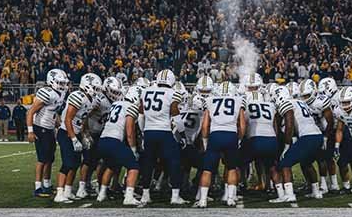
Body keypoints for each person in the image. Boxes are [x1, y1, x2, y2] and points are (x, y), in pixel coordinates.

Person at [140, 69, 189, 206]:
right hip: (164, 132)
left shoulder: (146, 91)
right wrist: (183, 135)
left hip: (149, 131)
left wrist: (143, 132)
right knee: (174, 162)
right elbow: (176, 117)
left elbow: (140, 115)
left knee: (148, 163)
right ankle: (175, 196)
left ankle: (145, 195)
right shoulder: (173, 93)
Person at [196, 81, 246, 208]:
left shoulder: (210, 100)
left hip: (215, 134)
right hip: (231, 134)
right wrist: (239, 139)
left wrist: (205, 141)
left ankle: (202, 200)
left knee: (207, 169)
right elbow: (242, 125)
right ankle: (230, 198)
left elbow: (205, 125)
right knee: (231, 167)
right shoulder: (239, 100)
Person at [271, 84, 324, 202]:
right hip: (317, 135)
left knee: (285, 163)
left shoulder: (286, 103)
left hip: (307, 137)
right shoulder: (300, 102)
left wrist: (287, 145)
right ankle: (316, 192)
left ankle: (289, 194)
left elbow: (289, 123)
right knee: (307, 162)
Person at [55, 73, 102, 203]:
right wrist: (73, 139)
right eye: (95, 88)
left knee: (75, 164)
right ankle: (59, 193)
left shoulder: (92, 100)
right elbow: (68, 119)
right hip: (66, 132)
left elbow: (83, 118)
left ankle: (68, 191)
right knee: (67, 163)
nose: (97, 91)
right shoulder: (77, 96)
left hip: (76, 132)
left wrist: (84, 134)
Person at [96, 86, 143, 206]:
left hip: (103, 140)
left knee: (111, 166)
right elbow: (129, 130)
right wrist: (133, 148)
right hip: (114, 140)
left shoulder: (116, 103)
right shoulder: (131, 107)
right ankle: (128, 197)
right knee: (134, 167)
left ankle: (101, 194)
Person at [26, 69, 69, 197]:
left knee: (50, 158)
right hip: (40, 128)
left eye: (63, 83)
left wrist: (59, 125)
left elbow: (53, 112)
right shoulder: (46, 93)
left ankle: (47, 185)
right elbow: (30, 112)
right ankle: (38, 187)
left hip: (49, 128)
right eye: (60, 83)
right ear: (52, 81)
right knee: (42, 159)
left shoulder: (60, 93)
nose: (63, 85)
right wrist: (30, 132)